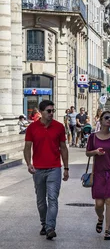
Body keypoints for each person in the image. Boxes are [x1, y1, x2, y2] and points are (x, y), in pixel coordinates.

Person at [24, 100, 69, 240]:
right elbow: (27, 147)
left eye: (52, 111)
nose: (51, 114)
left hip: (54, 168)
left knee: (52, 199)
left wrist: (66, 167)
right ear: (41, 112)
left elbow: (63, 148)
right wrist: (28, 163)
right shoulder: (32, 128)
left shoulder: (59, 127)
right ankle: (44, 223)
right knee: (41, 201)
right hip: (37, 169)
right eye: (48, 111)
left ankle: (50, 227)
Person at [86, 110, 110, 241]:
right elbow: (87, 153)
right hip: (98, 173)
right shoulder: (93, 137)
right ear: (101, 120)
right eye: (106, 118)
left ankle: (107, 230)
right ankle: (100, 218)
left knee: (109, 201)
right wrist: (95, 152)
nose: (109, 120)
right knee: (98, 203)